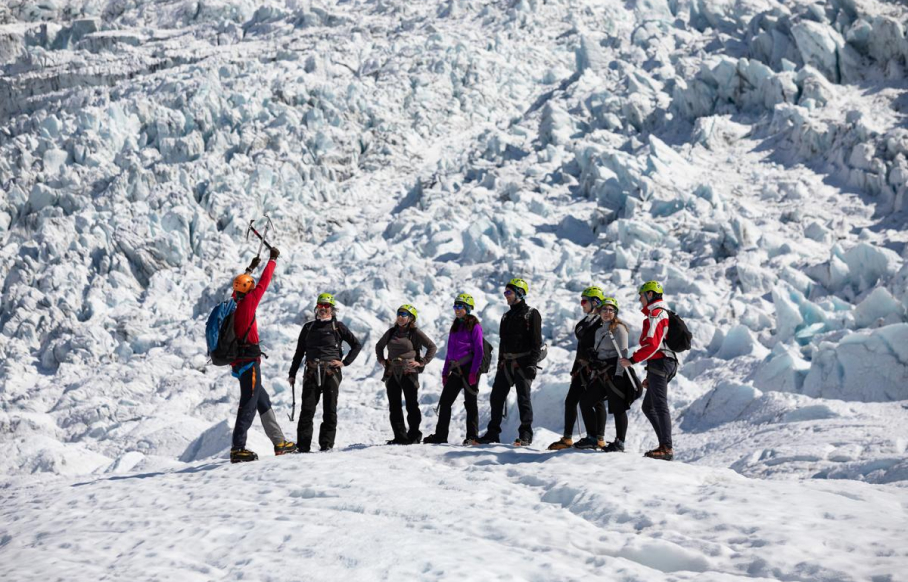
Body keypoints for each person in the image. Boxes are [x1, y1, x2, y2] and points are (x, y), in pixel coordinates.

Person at [229, 248, 296, 463]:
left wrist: (250, 268)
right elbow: (263, 283)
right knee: (248, 404)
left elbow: (241, 286)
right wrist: (273, 260)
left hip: (240, 364)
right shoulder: (248, 303)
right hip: (249, 364)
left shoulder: (233, 304)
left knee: (262, 401)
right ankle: (238, 448)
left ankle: (279, 443)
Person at [288, 293, 362, 452]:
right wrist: (292, 373)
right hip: (311, 372)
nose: (322, 309)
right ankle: (303, 446)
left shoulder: (338, 327)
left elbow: (356, 345)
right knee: (307, 410)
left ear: (332, 309)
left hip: (331, 372)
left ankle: (326, 445)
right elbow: (299, 352)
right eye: (320, 306)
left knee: (330, 409)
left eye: (326, 306)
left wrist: (345, 362)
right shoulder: (308, 327)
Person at [476, 278, 543, 446]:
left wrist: (532, 364)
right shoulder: (506, 316)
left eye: (509, 292)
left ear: (519, 293)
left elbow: (536, 342)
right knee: (496, 397)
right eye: (505, 292)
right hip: (506, 364)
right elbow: (503, 341)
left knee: (523, 399)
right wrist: (500, 362)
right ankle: (493, 433)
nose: (505, 295)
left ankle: (526, 434)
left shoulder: (531, 314)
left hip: (524, 363)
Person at [620, 280, 678, 461]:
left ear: (650, 295)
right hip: (659, 364)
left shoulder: (656, 314)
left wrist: (631, 360)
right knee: (648, 406)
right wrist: (648, 375)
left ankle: (666, 448)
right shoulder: (657, 314)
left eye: (642, 295)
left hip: (661, 364)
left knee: (659, 405)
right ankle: (664, 445)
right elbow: (657, 346)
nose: (640, 298)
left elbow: (653, 344)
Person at [548, 287, 606, 451]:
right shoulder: (586, 322)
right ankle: (567, 438)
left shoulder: (602, 323)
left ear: (595, 302)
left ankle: (599, 438)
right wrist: (575, 368)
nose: (582, 305)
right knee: (571, 401)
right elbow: (581, 347)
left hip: (594, 368)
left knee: (597, 402)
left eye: (584, 301)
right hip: (581, 368)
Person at [424, 293, 485, 445]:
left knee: (470, 403)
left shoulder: (475, 326)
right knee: (445, 402)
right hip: (456, 370)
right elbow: (449, 352)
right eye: (455, 306)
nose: (457, 310)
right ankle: (441, 436)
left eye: (460, 307)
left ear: (468, 308)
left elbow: (479, 350)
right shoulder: (455, 326)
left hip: (469, 368)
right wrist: (445, 372)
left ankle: (472, 437)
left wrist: (473, 372)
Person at [375, 304, 437, 445]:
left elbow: (432, 347)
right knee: (394, 406)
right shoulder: (391, 332)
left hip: (409, 372)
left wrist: (422, 362)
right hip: (392, 372)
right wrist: (381, 359)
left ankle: (414, 435)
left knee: (411, 405)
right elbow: (379, 346)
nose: (400, 317)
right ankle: (400, 437)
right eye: (399, 314)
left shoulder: (414, 332)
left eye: (404, 314)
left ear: (411, 318)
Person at [580, 297, 632, 452]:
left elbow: (623, 353)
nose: (607, 312)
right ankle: (592, 437)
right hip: (601, 373)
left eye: (611, 310)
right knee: (585, 402)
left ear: (615, 313)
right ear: (600, 312)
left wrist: (619, 375)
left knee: (618, 407)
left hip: (614, 371)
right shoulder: (599, 330)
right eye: (604, 309)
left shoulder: (619, 329)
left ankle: (620, 442)